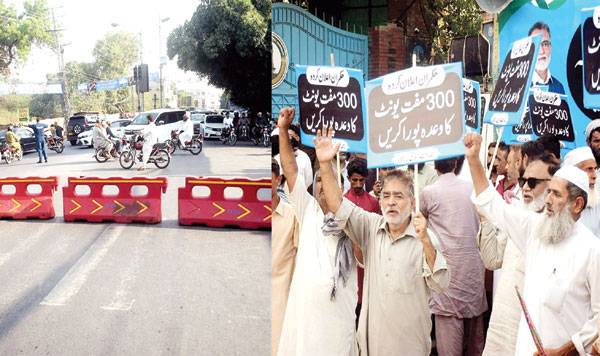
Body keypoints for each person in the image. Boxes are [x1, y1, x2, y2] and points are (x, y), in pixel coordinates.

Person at [316, 124, 449, 355]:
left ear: (412, 200)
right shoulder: (371, 226)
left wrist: (426, 240)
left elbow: (440, 283)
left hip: (410, 346)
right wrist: (326, 165)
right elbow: (337, 205)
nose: (391, 202)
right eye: (386, 196)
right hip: (371, 346)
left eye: (399, 196)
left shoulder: (424, 236)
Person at [465, 132, 600, 355]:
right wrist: (473, 160)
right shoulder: (535, 229)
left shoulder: (592, 250)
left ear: (577, 204)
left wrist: (567, 349)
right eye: (548, 193)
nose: (547, 200)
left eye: (556, 194)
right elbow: (491, 204)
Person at [277, 107, 358, 356]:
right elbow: (290, 170)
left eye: (331, 178)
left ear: (341, 186)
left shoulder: (355, 218)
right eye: (320, 179)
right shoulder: (308, 209)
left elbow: (363, 256)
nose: (324, 185)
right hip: (305, 324)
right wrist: (282, 130)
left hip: (337, 322)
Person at [478, 153, 559, 356]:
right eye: (523, 180)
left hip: (535, 332)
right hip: (502, 325)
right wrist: (485, 220)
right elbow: (492, 259)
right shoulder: (516, 213)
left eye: (532, 182)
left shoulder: (559, 231)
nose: (524, 188)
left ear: (553, 185)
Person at [420, 157, 486, 356]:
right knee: (476, 342)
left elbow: (418, 224)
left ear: (435, 165)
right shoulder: (472, 189)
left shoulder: (428, 192)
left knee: (450, 346)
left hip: (447, 275)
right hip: (473, 272)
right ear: (456, 164)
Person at [344, 158, 381, 326]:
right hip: (348, 260)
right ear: (349, 179)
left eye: (361, 180)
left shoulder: (373, 202)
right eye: (354, 180)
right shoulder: (343, 201)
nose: (358, 184)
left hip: (368, 259)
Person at [271, 158, 299, 356]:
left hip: (283, 299)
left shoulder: (292, 215)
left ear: (278, 179)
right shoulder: (248, 212)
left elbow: (300, 257)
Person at [563, 146, 599, 236]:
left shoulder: (597, 203)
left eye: (595, 169)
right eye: (589, 169)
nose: (594, 176)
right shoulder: (560, 203)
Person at [529, 22, 565, 94]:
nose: (541, 51)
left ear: (550, 47)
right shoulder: (520, 87)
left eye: (545, 44)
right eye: (536, 44)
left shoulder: (559, 87)